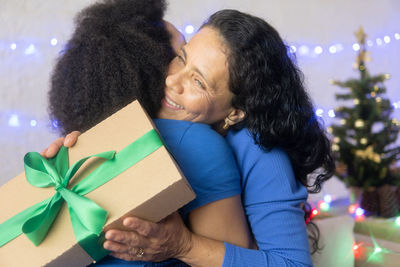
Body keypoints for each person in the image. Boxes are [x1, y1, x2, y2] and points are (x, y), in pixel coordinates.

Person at [45, 2, 335, 267]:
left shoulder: (257, 149)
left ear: (236, 112)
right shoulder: (146, 131)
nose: (172, 80)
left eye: (199, 81)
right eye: (180, 58)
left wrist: (184, 245)